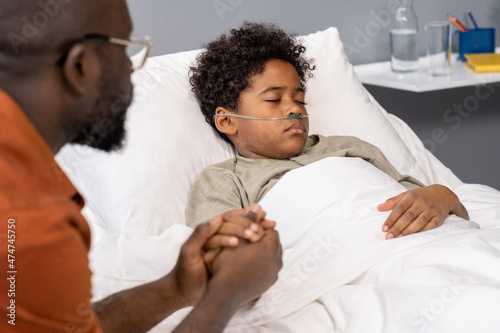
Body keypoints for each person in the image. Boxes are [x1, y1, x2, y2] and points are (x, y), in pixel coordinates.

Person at [0, 2, 282, 333]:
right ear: (80, 67)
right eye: (124, 49)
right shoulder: (33, 225)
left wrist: (177, 287)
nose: (131, 69)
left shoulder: (23, 168)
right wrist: (226, 293)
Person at [187, 22, 469, 239]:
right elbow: (217, 252)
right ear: (227, 121)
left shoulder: (349, 148)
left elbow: (421, 205)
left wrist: (444, 196)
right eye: (274, 100)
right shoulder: (224, 180)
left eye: (300, 100)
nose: (294, 109)